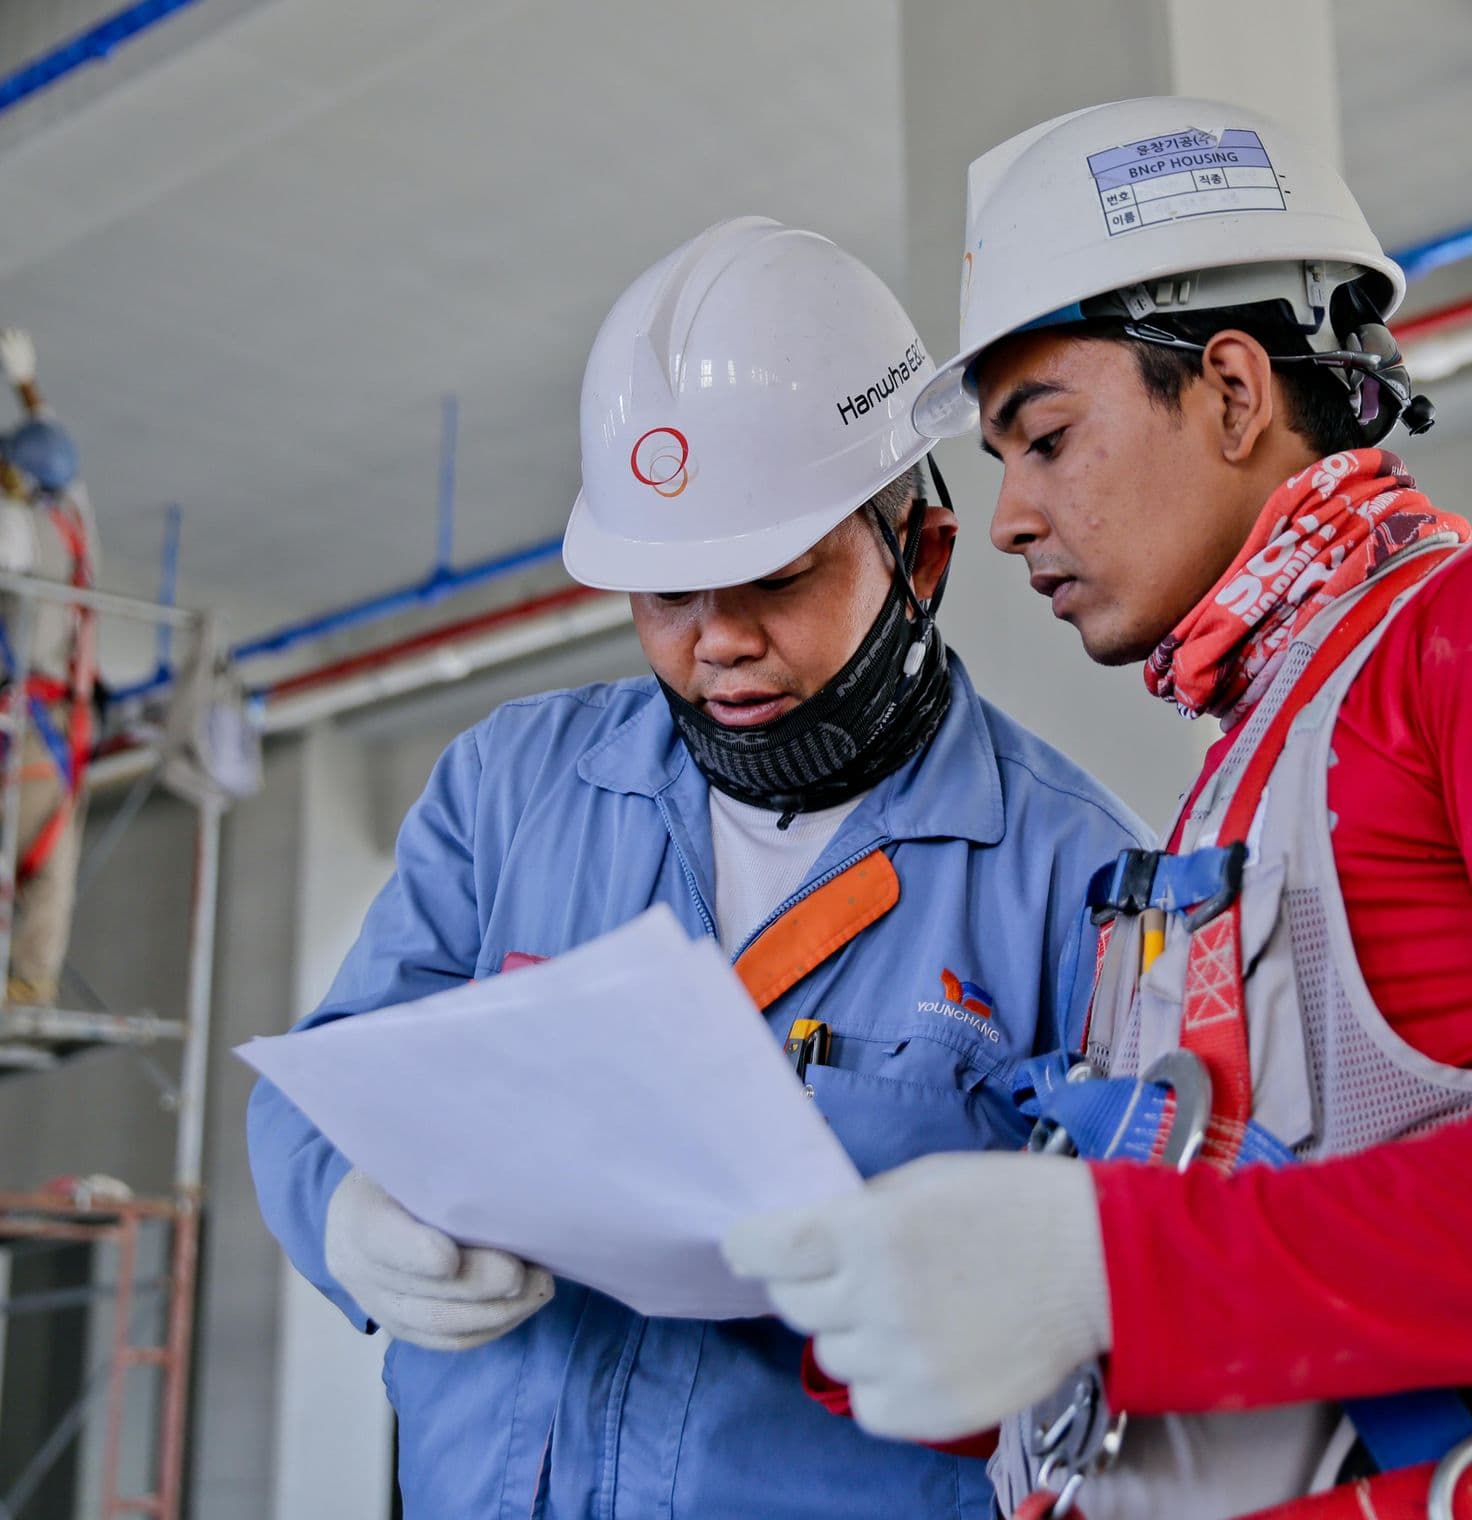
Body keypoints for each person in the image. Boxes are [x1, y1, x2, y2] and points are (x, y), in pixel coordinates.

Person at [247, 216, 1146, 1518]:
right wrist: (346, 1212)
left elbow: (1130, 1298)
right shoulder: (510, 792)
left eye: (774, 582)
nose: (716, 642)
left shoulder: (1073, 876)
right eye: (666, 595)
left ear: (922, 557)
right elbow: (331, 1073)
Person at [724, 102, 1472, 1520]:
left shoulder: (1445, 644)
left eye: (1044, 438)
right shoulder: (1253, 761)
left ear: (1237, 393)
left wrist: (1108, 1266)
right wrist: (945, 1303)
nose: (1005, 517)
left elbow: (1193, 1268)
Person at [0, 327, 99, 1007]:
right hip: (65, 722)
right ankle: (31, 984)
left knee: (12, 847)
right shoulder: (74, 517)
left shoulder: (13, 526)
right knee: (51, 857)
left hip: (20, 718)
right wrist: (27, 386)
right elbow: (51, 446)